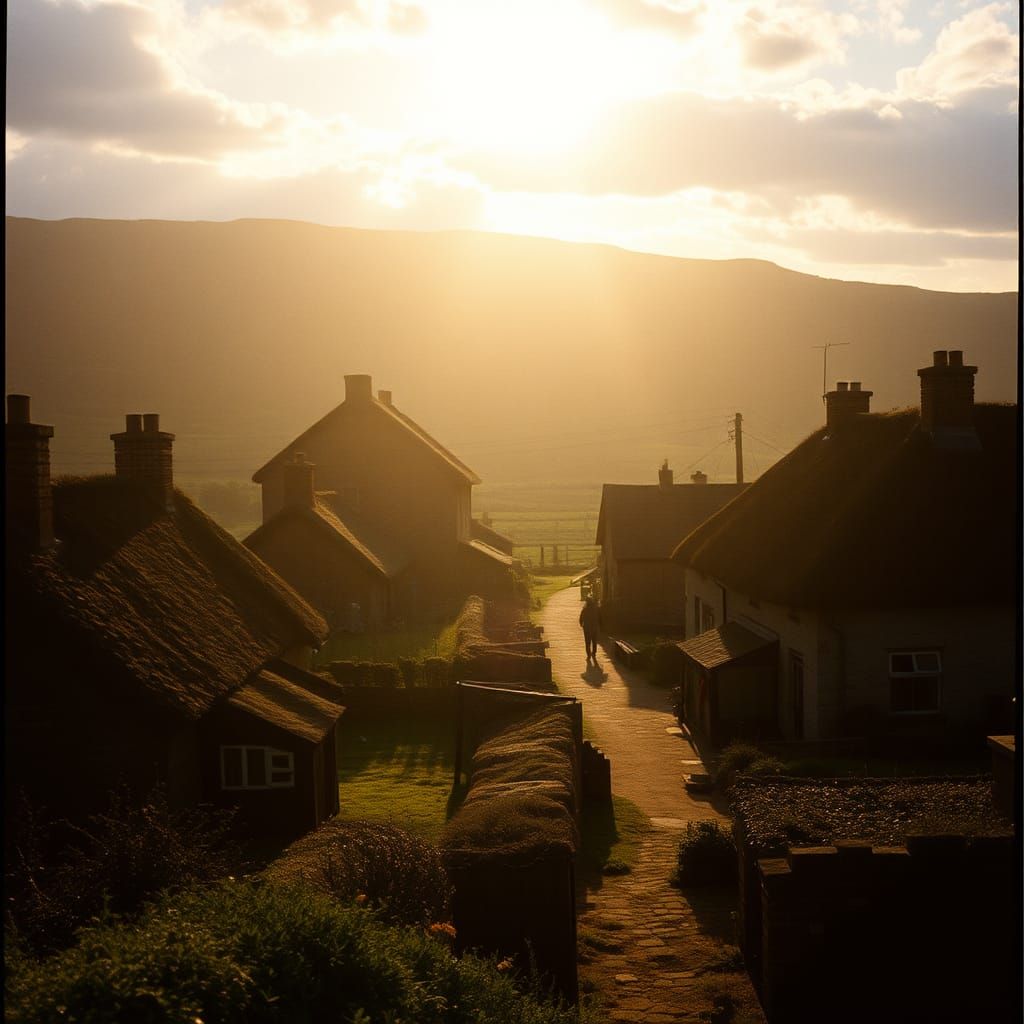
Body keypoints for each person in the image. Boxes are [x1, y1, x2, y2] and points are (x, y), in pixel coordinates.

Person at [579, 596, 602, 661]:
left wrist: (581, 624)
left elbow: (581, 618)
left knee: (587, 642)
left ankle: (588, 655)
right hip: (595, 627)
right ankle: (594, 653)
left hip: (587, 628)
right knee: (594, 641)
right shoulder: (597, 608)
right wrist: (600, 626)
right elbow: (600, 618)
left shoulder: (584, 609)